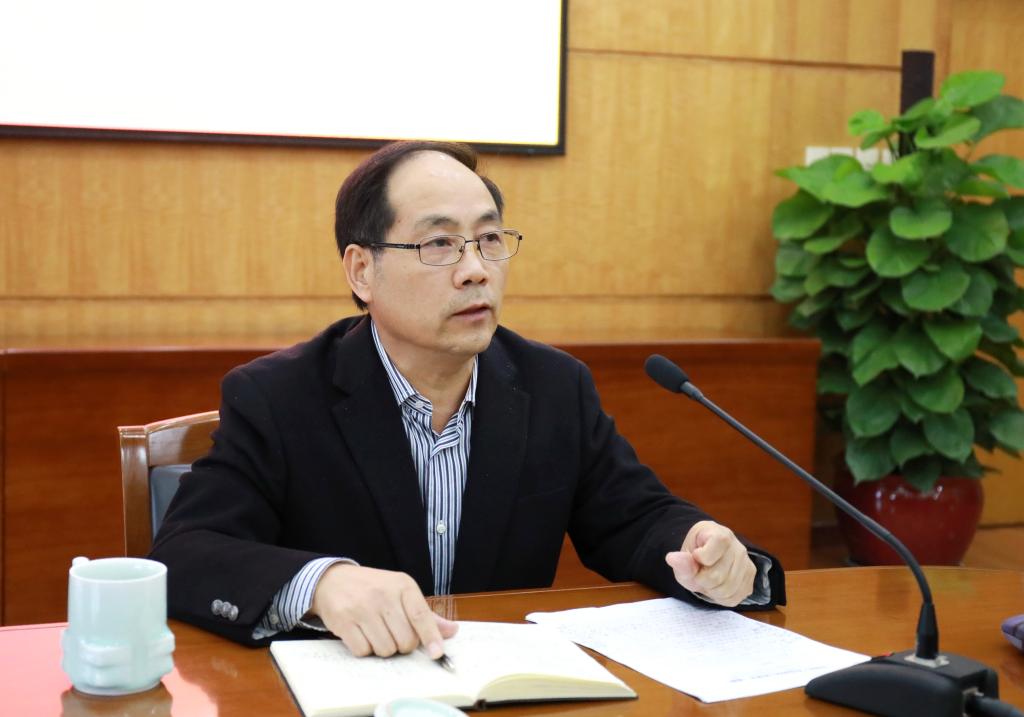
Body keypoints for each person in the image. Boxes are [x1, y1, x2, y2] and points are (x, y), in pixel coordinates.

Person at [150, 140, 786, 658]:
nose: (477, 268)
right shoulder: (278, 396)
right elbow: (185, 552)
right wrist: (323, 584)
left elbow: (636, 519)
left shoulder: (553, 387)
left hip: (502, 693)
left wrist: (708, 551)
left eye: (489, 239)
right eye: (439, 244)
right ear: (362, 270)